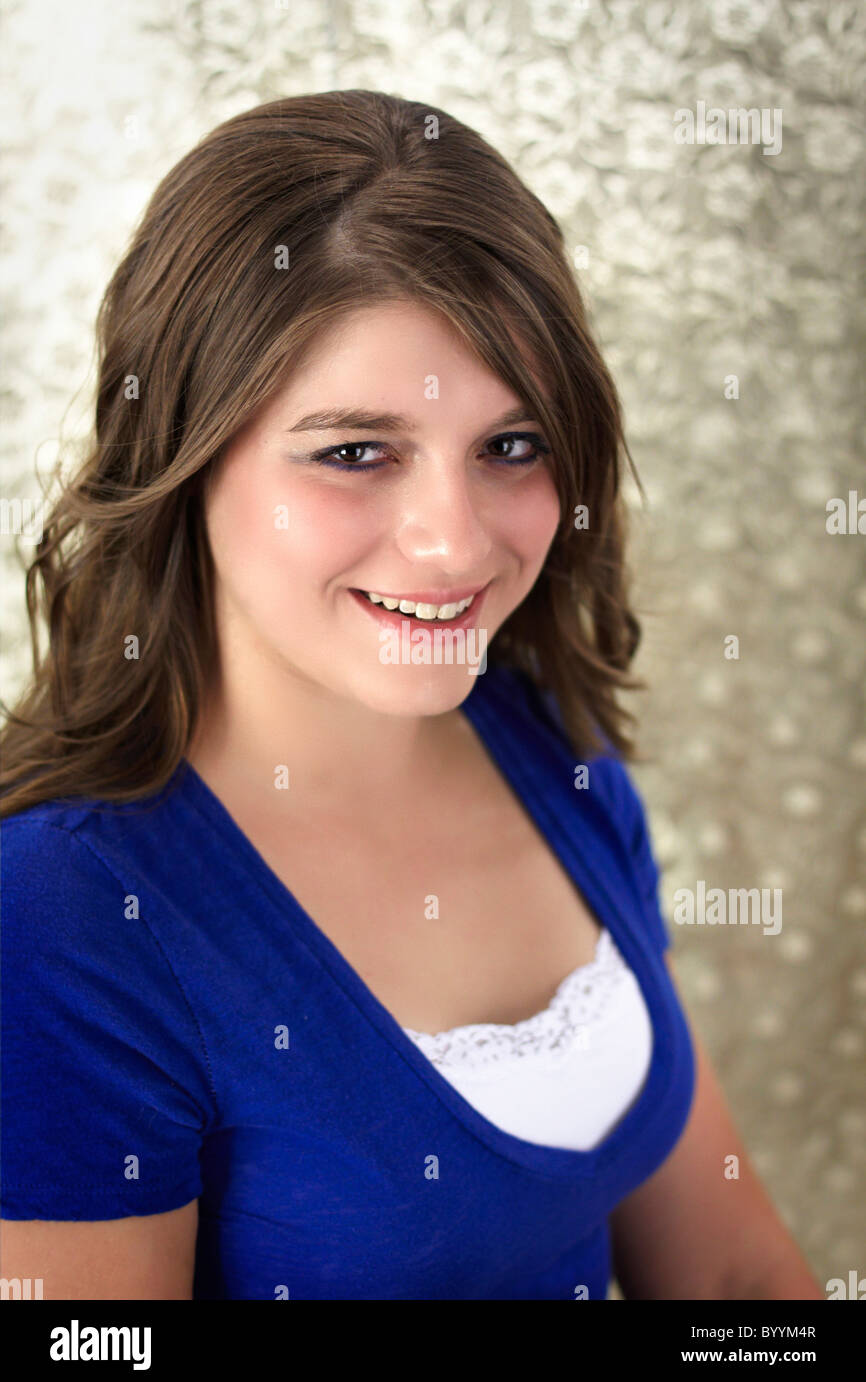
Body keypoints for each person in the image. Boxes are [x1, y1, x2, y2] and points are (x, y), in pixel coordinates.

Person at [0, 90, 821, 1300]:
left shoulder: (553, 744)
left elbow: (728, 1284)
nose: (453, 545)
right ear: (181, 455)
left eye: (511, 444)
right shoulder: (63, 916)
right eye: (352, 452)